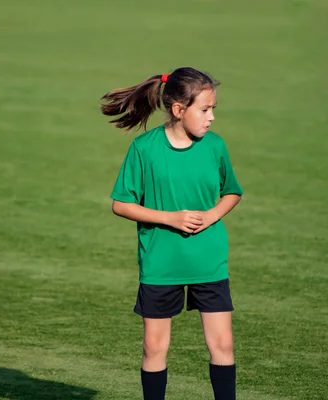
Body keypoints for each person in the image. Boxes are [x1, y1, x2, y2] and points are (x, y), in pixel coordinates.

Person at [100, 67, 243, 400]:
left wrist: (210, 216)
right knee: (154, 346)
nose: (211, 118)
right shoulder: (145, 149)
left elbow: (232, 192)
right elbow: (121, 204)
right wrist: (171, 218)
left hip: (208, 261)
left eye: (214, 110)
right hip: (161, 264)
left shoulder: (215, 147)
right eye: (204, 110)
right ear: (179, 110)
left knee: (222, 344)